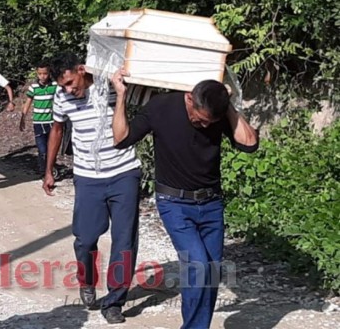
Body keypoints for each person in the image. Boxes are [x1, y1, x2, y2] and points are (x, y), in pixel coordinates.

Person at [111, 70, 259, 329]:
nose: (204, 126)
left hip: (211, 204)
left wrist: (226, 104)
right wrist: (121, 95)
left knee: (210, 273)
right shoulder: (160, 107)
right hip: (174, 203)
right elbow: (122, 139)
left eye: (209, 123)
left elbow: (249, 144)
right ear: (189, 98)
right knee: (198, 265)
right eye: (199, 120)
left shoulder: (216, 114)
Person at [42, 52, 142, 324]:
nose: (68, 89)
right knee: (85, 239)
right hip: (87, 176)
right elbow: (57, 130)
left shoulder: (110, 84)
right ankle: (86, 280)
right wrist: (49, 170)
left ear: (81, 69)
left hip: (124, 172)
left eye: (70, 82)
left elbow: (147, 91)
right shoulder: (62, 97)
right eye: (62, 85)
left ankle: (114, 301)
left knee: (124, 240)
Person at [19, 60, 58, 176]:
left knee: (52, 147)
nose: (42, 76)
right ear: (37, 73)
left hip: (52, 122)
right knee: (42, 149)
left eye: (45, 73)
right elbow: (28, 103)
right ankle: (43, 170)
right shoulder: (34, 88)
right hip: (38, 123)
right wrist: (23, 118)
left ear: (49, 73)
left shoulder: (55, 86)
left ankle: (51, 168)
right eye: (40, 74)